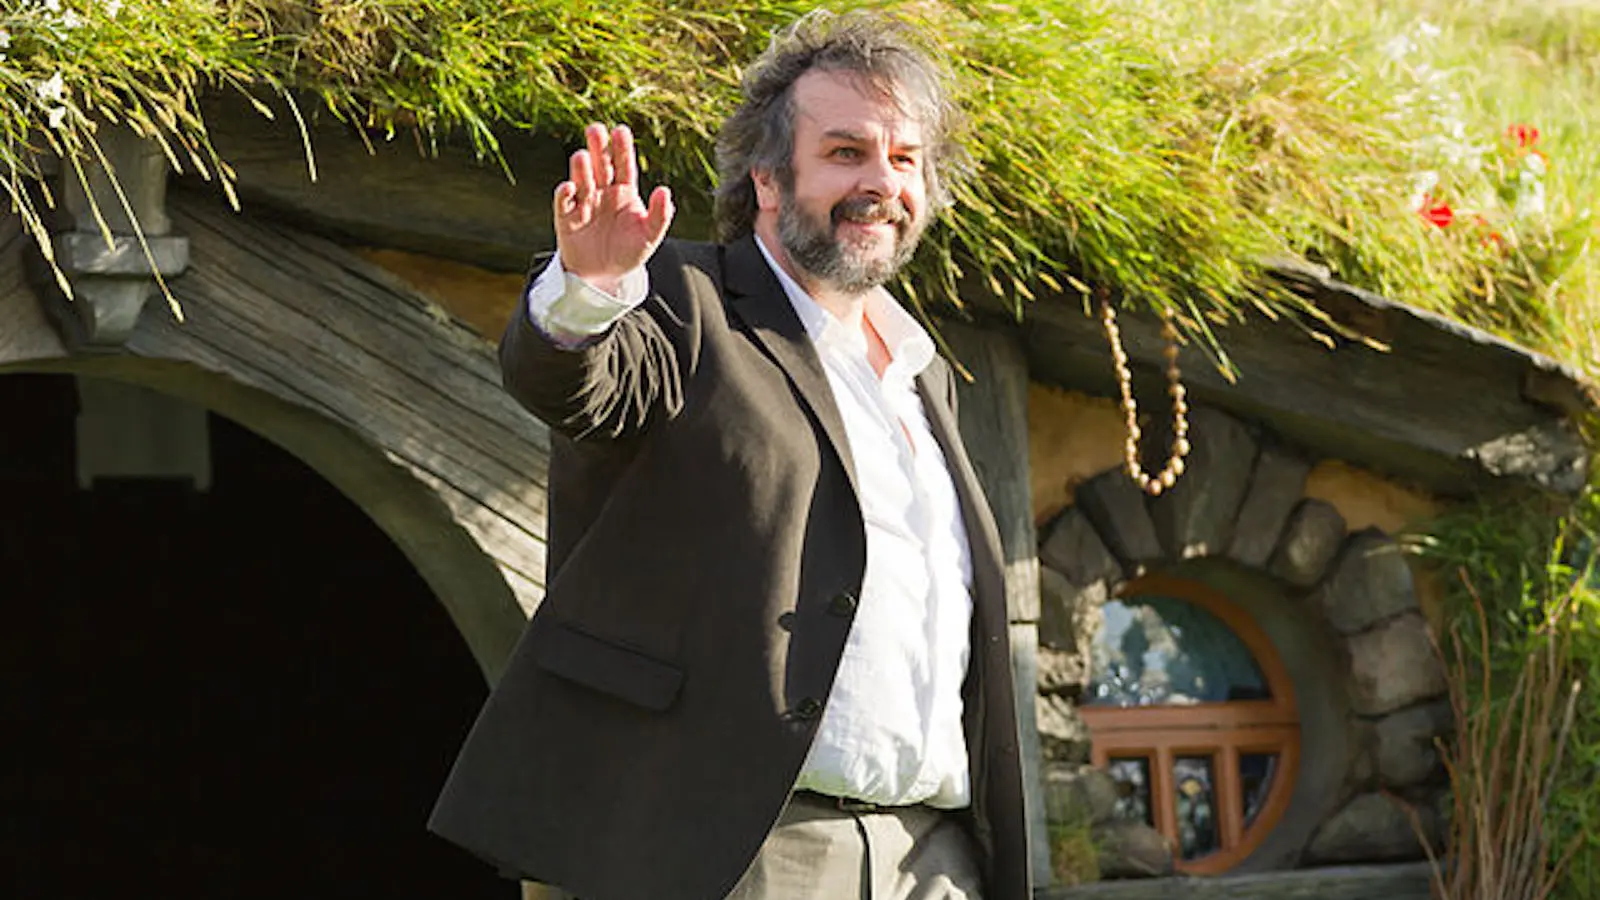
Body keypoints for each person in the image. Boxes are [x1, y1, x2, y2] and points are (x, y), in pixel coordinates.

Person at [429, 11, 1028, 900]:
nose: (881, 182)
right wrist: (588, 291)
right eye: (846, 152)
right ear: (769, 180)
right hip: (733, 851)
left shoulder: (921, 373)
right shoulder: (689, 302)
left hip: (932, 857)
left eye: (904, 160)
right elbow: (579, 386)